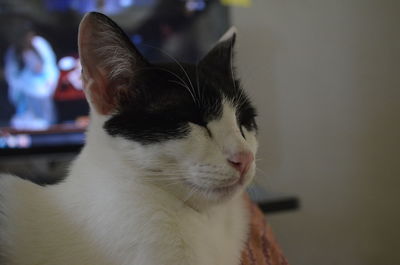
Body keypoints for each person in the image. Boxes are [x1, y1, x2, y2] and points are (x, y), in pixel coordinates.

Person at [4, 22, 59, 130]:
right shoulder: (14, 51)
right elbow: (11, 74)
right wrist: (22, 86)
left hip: (43, 88)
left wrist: (49, 82)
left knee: (46, 120)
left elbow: (50, 65)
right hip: (25, 91)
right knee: (26, 118)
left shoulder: (40, 44)